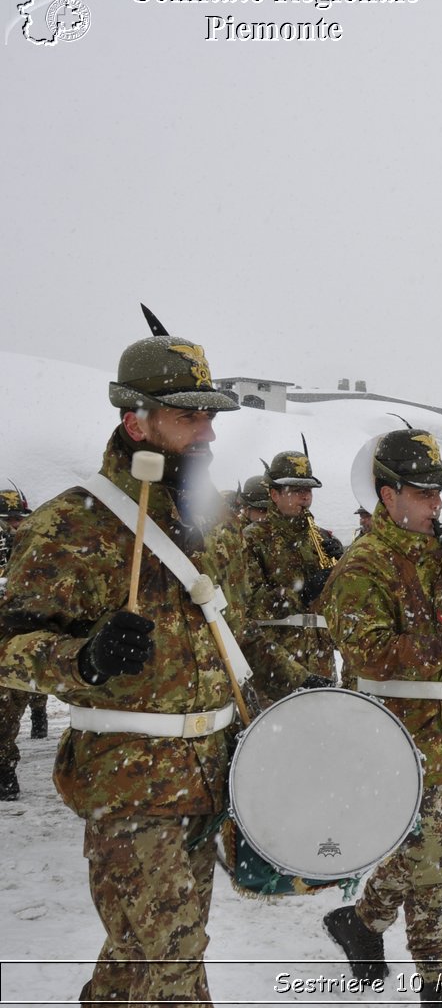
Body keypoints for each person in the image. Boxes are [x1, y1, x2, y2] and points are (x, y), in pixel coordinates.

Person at [0, 319, 250, 1003]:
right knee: (172, 965)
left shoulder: (215, 518)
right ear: (135, 421)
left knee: (140, 955)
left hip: (212, 776)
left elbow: (237, 632)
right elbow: (9, 651)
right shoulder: (72, 524)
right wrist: (85, 659)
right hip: (131, 788)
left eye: (210, 416)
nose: (207, 432)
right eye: (186, 416)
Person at [321, 428, 442, 1005]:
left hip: (439, 731)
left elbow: (440, 630)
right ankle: (439, 979)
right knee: (430, 856)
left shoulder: (435, 552)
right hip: (394, 735)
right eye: (425, 493)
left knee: (422, 848)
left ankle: (362, 924)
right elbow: (369, 648)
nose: (437, 503)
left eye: (437, 493)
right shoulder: (363, 566)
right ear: (388, 496)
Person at [241, 447, 342, 701]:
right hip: (276, 666)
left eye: (308, 491)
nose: (305, 498)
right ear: (274, 494)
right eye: (296, 491)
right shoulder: (252, 539)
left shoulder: (321, 537)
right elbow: (246, 603)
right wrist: (300, 593)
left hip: (321, 662)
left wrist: (344, 563)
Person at [0, 487, 39, 799]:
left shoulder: (29, 544)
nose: (14, 524)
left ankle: (4, 774)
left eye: (17, 518)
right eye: (8, 519)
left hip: (17, 637)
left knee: (14, 702)